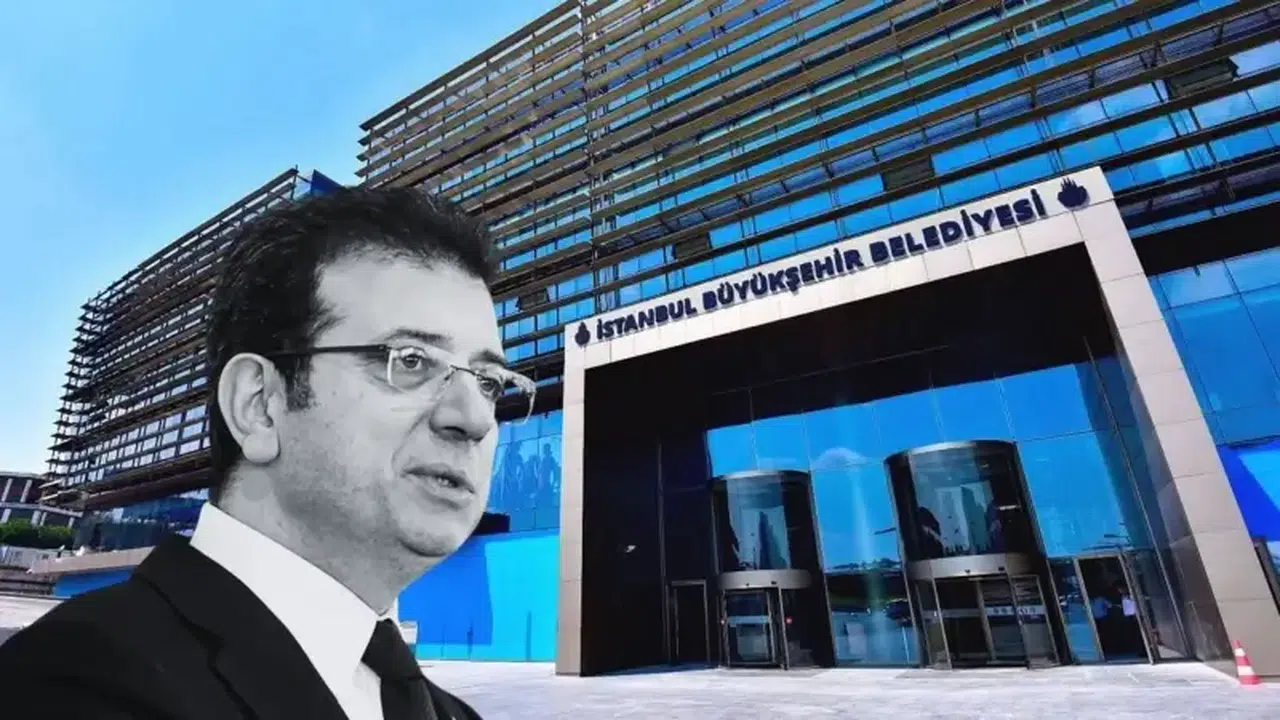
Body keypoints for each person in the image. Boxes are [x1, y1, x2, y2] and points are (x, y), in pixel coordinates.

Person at [0, 186, 536, 719]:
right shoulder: (73, 683)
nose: (475, 418)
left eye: (488, 382)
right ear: (258, 405)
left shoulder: (453, 714)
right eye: (412, 360)